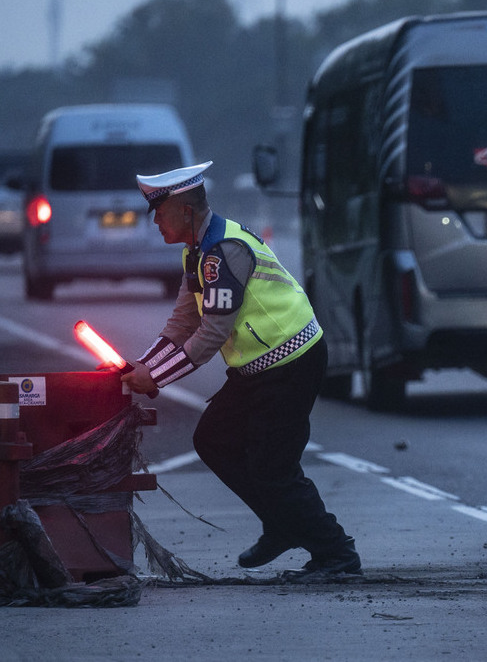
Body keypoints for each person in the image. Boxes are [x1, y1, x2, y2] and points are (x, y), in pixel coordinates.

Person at [121, 161, 361, 577]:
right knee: (214, 440)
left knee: (274, 467)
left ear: (185, 211)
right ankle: (281, 525)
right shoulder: (196, 252)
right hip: (257, 369)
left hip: (292, 362)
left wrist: (154, 377)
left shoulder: (223, 251)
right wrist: (143, 365)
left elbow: (211, 334)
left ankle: (337, 553)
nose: (155, 221)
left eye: (160, 212)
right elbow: (182, 323)